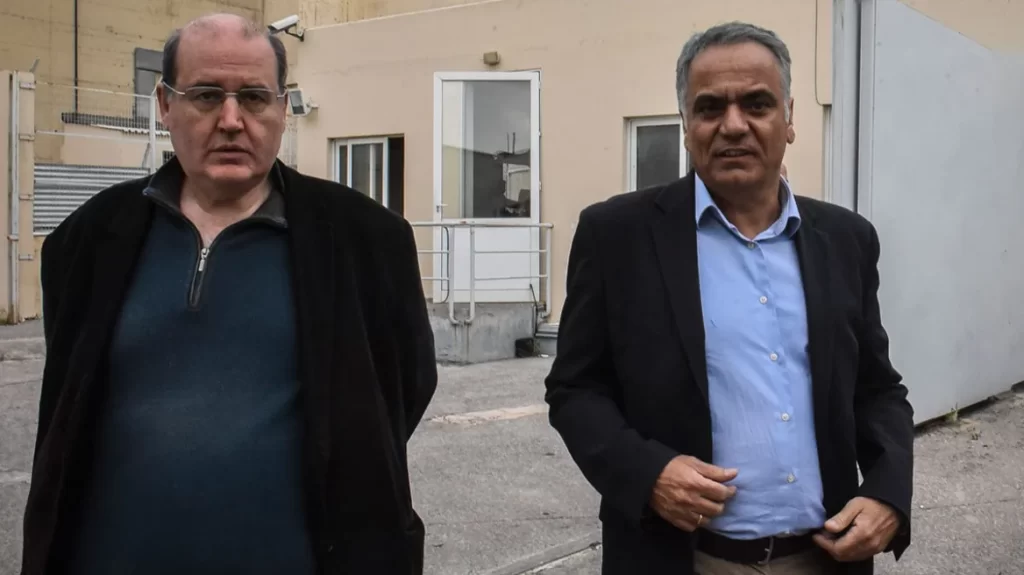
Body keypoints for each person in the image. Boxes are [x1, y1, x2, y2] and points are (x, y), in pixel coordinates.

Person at [22, 13, 437, 575]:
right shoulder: (89, 240)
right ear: (165, 105)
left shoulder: (367, 241)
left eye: (255, 98)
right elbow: (68, 402)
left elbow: (402, 389)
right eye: (207, 95)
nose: (232, 120)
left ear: (283, 109)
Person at [545, 22, 914, 575]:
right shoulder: (616, 236)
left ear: (790, 118)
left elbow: (878, 389)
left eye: (757, 104)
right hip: (680, 559)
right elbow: (575, 389)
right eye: (710, 107)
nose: (733, 125)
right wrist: (648, 474)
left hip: (824, 558)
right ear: (686, 125)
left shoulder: (846, 240)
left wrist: (888, 490)